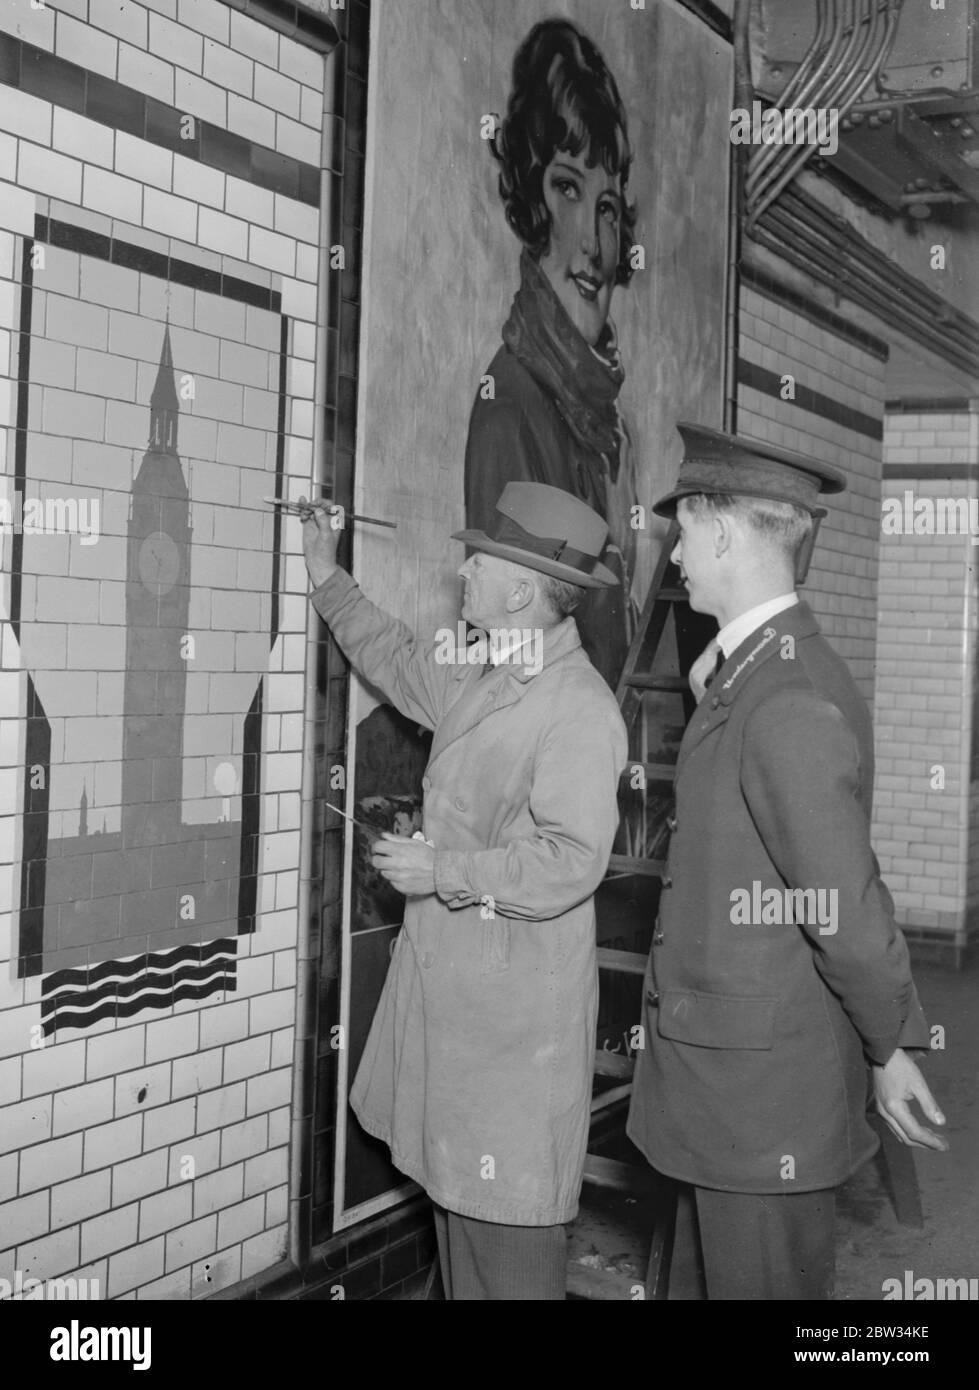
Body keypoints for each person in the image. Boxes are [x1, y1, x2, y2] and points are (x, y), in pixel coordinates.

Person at [626, 424, 948, 1301]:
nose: (677, 555)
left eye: (683, 532)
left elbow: (842, 908)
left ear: (723, 533)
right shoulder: (765, 671)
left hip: (756, 1099)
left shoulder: (784, 697)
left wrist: (889, 1045)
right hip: (732, 1087)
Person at [301, 482, 628, 1300]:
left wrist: (442, 870)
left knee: (505, 1248)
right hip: (467, 1024)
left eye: (475, 564)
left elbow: (567, 861)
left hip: (513, 1037)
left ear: (520, 591)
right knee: (463, 1235)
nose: (463, 575)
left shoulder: (577, 709)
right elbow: (398, 658)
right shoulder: (491, 674)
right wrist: (323, 571)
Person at [465, 18, 640, 689]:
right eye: (566, 188)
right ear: (531, 202)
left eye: (607, 207)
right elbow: (514, 654)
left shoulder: (603, 420)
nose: (594, 246)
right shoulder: (511, 403)